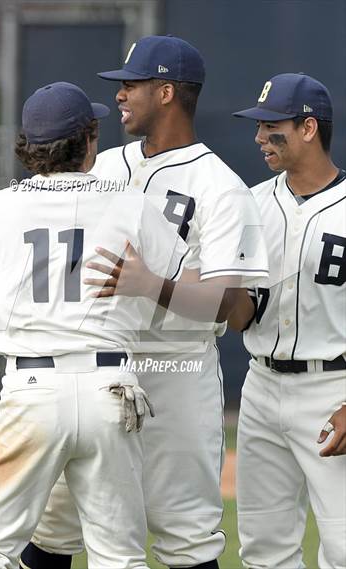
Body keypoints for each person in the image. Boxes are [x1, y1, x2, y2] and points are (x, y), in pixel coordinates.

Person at [21, 35, 268, 569]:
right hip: (97, 365)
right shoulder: (104, 164)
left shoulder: (220, 187)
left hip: (176, 369)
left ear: (167, 92)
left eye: (131, 84)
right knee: (53, 524)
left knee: (185, 532)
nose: (120, 96)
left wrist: (153, 284)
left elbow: (226, 302)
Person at [0, 81, 189, 569]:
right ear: (88, 139)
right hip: (112, 389)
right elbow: (177, 281)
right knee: (118, 557)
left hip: (32, 387)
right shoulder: (129, 203)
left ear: (28, 146)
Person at [230, 73, 346, 568]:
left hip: (334, 389)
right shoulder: (251, 205)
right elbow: (241, 316)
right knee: (264, 547)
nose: (259, 138)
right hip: (261, 385)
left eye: (271, 126)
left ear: (308, 128)